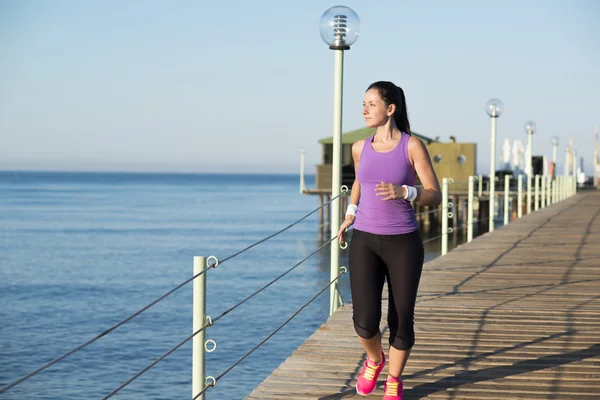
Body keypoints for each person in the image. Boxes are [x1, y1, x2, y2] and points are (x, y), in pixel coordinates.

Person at [337, 81, 441, 400]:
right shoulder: (359, 147)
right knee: (364, 321)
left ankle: (394, 379)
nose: (364, 109)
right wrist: (350, 213)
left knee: (401, 319)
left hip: (403, 244)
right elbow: (359, 182)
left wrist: (405, 192)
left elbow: (434, 194)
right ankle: (374, 360)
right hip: (365, 239)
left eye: (371, 104)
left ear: (390, 108)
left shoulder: (412, 146)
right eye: (363, 103)